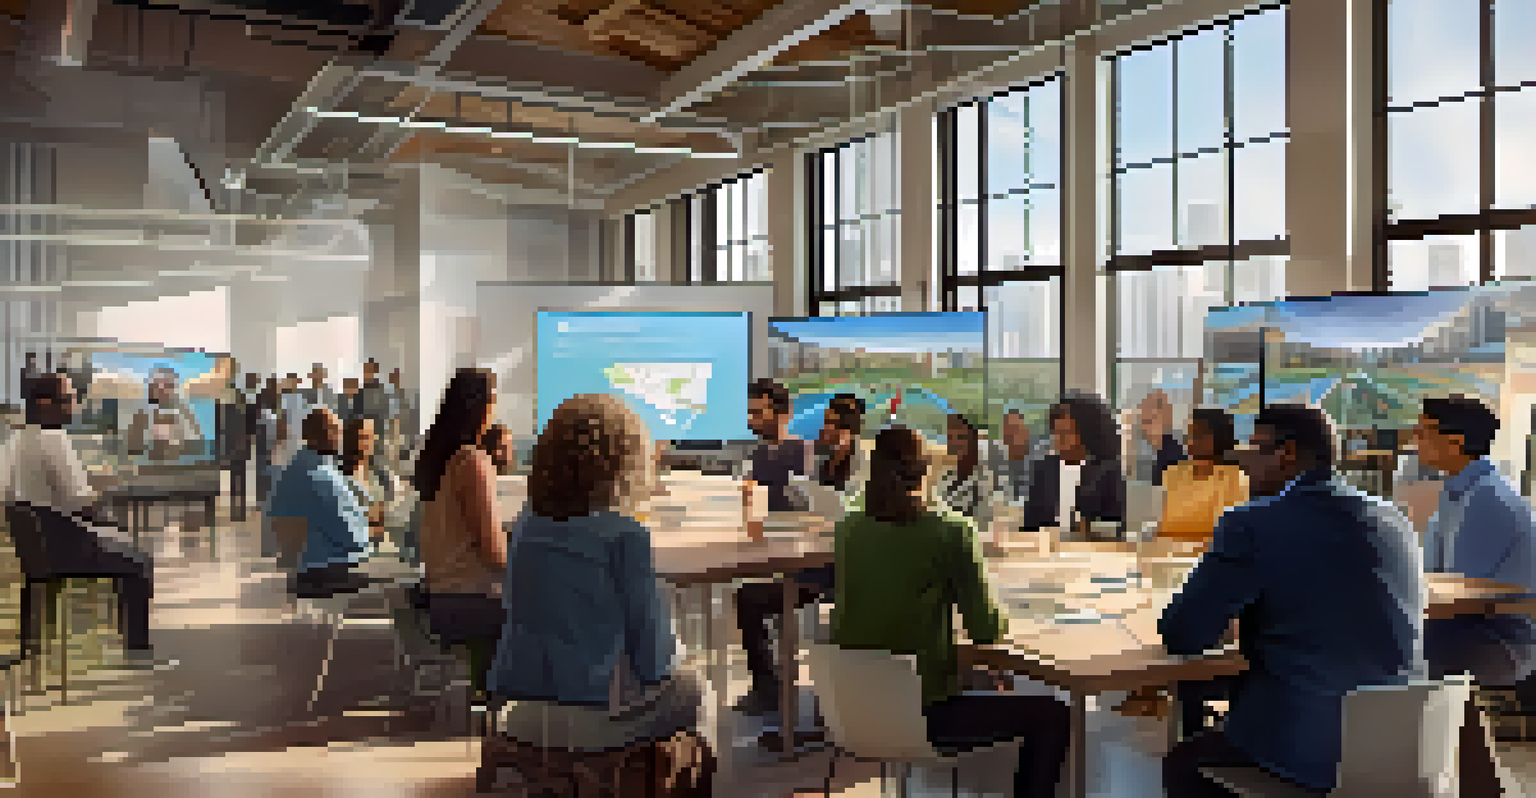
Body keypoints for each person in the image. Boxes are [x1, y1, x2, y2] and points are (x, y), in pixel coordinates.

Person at [1160, 404, 1424, 797]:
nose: (1246, 465)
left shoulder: (1250, 523)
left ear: (1286, 453)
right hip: (1402, 746)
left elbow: (1182, 634)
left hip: (1310, 748)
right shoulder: (1393, 518)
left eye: (1254, 450)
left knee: (1183, 763)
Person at [832, 425, 1071, 798]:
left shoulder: (848, 528)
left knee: (982, 684)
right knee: (1052, 714)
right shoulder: (951, 532)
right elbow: (986, 631)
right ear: (926, 470)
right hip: (922, 716)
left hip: (852, 710)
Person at [488, 393, 706, 758]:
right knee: (696, 690)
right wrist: (680, 651)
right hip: (595, 711)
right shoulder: (625, 536)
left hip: (523, 701)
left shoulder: (526, 524)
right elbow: (654, 663)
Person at [0, 374, 170, 669]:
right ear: (44, 403)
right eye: (68, 399)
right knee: (139, 562)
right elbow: (81, 502)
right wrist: (105, 493)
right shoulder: (55, 439)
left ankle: (32, 646)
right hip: (67, 546)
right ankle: (138, 652)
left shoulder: (19, 438)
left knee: (115, 545)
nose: (75, 406)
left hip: (38, 549)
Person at [1416, 394, 1536, 798]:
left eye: (1424, 430)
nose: (1413, 437)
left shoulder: (1487, 498)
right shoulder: (1456, 493)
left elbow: (1460, 598)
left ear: (1456, 441)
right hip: (1470, 630)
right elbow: (1430, 577)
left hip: (1503, 642)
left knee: (1381, 647)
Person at [1119, 408, 1249, 721]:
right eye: (1190, 434)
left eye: (1201, 434)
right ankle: (1146, 685)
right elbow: (1160, 522)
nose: (1192, 441)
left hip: (1203, 564)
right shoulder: (1173, 473)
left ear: (1219, 438)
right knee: (1140, 612)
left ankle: (1161, 688)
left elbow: (1223, 532)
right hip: (1164, 558)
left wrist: (1179, 543)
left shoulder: (1234, 478)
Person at [732, 378, 821, 716]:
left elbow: (810, 514)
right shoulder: (757, 455)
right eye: (750, 413)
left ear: (782, 413)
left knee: (748, 600)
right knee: (747, 594)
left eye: (758, 412)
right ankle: (769, 688)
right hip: (776, 556)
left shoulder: (805, 453)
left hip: (807, 564)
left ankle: (770, 691)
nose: (752, 420)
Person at [415, 368, 507, 694]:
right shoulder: (472, 461)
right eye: (494, 400)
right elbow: (495, 554)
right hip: (476, 603)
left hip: (442, 602)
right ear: (482, 407)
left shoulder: (438, 461)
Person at [266, 407, 372, 597]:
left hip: (301, 567)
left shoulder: (298, 465)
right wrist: (370, 530)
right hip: (322, 570)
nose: (338, 435)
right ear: (314, 435)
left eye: (338, 429)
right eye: (333, 430)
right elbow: (353, 538)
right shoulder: (320, 474)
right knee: (394, 580)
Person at [1021, 391, 1127, 540]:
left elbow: (1117, 525)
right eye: (1056, 433)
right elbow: (1030, 523)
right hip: (1046, 553)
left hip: (1093, 553)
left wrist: (1087, 528)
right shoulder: (1043, 469)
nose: (1058, 439)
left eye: (1066, 433)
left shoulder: (1107, 471)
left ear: (1086, 433)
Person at [340, 417, 408, 550]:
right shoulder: (338, 476)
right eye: (362, 437)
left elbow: (392, 518)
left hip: (380, 548)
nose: (365, 442)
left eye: (369, 437)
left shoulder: (383, 478)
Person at [813, 394, 867, 498]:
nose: (822, 428)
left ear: (845, 430)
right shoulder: (823, 454)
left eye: (828, 422)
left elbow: (855, 497)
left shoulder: (861, 458)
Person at [992, 409, 1050, 505]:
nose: (1012, 435)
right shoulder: (999, 457)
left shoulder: (1041, 454)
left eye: (1016, 429)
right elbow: (996, 490)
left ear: (1026, 431)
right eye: (1007, 431)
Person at [937, 413, 987, 521]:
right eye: (950, 437)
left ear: (974, 439)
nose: (954, 442)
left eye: (961, 437)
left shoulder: (988, 477)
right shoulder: (947, 476)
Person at [1135, 389, 1185, 486]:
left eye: (1149, 421)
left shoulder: (1173, 455)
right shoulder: (1155, 453)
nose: (1144, 428)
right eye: (1142, 422)